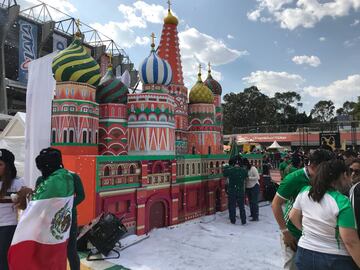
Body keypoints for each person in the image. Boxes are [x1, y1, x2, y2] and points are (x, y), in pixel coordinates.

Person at [289, 159, 360, 269]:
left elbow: (292, 216)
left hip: (304, 252)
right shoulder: (342, 201)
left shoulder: (305, 191)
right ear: (343, 175)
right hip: (334, 258)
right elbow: (350, 241)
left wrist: (308, 232)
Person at [271, 149, 334, 270]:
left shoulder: (324, 179)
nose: (328, 173)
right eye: (325, 168)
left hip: (313, 234)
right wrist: (285, 232)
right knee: (292, 266)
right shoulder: (293, 179)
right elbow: (275, 204)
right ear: (315, 166)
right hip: (293, 233)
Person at [35, 148, 85, 270]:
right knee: (50, 249)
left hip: (68, 219)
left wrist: (66, 205)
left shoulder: (72, 177)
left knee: (71, 250)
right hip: (47, 220)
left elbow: (81, 195)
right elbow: (37, 200)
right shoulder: (41, 179)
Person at [0, 149, 24, 270]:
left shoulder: (17, 182)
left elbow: (25, 206)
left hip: (8, 226)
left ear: (8, 166)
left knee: (3, 258)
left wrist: (21, 198)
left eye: (0, 164)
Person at [223, 156, 248, 225]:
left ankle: (233, 220)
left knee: (232, 206)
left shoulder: (230, 170)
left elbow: (224, 173)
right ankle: (243, 220)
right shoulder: (243, 170)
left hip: (232, 190)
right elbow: (246, 175)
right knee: (241, 207)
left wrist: (226, 166)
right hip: (240, 190)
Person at [349, 158, 360, 238]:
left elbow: (355, 217)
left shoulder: (356, 189)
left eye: (357, 172)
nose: (353, 174)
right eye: (351, 170)